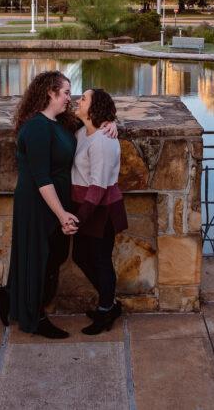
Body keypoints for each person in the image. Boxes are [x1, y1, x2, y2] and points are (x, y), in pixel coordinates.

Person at [0, 71, 117, 339]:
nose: (69, 99)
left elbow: (94, 126)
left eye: (72, 94)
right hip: (39, 204)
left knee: (56, 257)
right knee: (41, 259)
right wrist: (62, 215)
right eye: (64, 93)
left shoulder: (62, 122)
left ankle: (11, 295)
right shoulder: (37, 127)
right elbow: (41, 178)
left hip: (60, 203)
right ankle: (34, 317)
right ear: (49, 92)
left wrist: (112, 123)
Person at [71, 89, 127, 335]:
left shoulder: (103, 141)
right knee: (81, 257)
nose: (77, 101)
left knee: (101, 261)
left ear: (93, 108)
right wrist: (112, 121)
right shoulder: (83, 132)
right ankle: (110, 303)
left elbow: (98, 186)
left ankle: (106, 310)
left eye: (83, 99)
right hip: (87, 209)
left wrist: (79, 219)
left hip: (101, 212)